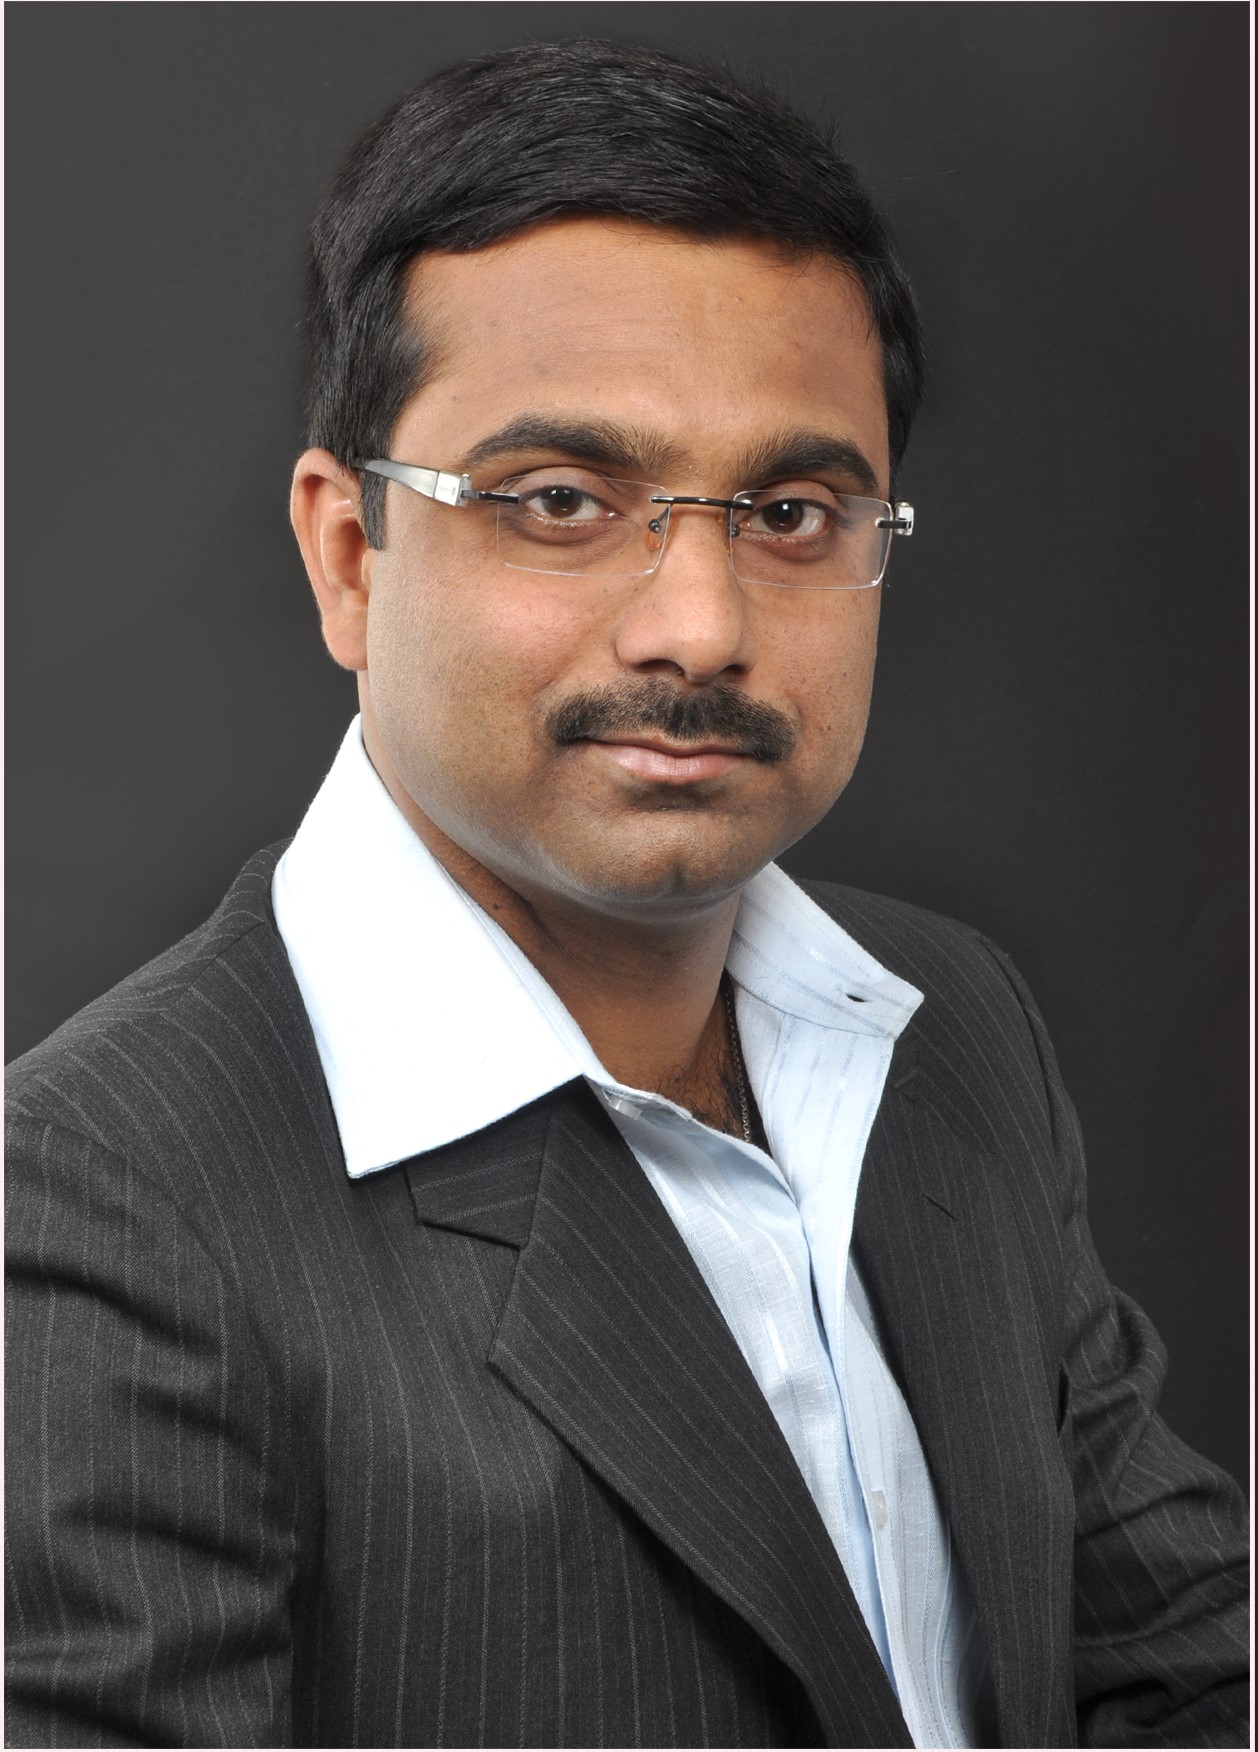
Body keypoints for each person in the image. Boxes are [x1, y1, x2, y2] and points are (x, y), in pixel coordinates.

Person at [4, 38, 1248, 1751]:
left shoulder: (948, 1022)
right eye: (561, 502)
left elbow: (1186, 1667)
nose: (701, 626)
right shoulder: (94, 1204)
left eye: (791, 510)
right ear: (349, 554)